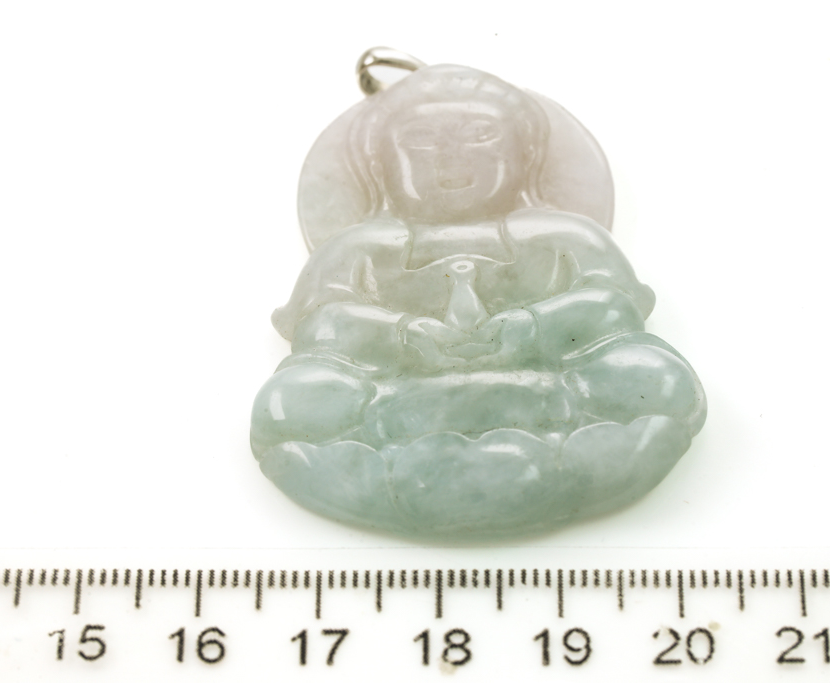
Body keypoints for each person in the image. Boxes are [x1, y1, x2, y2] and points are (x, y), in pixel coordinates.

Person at [250, 65, 705, 534]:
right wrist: (403, 332)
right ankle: (554, 459)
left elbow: (612, 309)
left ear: (525, 156)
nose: (452, 158)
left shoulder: (567, 234)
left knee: (653, 376)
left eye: (482, 136)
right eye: (420, 141)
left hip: (548, 389)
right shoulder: (358, 246)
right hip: (400, 398)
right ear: (379, 166)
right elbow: (322, 327)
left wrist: (532, 325)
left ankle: (395, 468)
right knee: (294, 397)